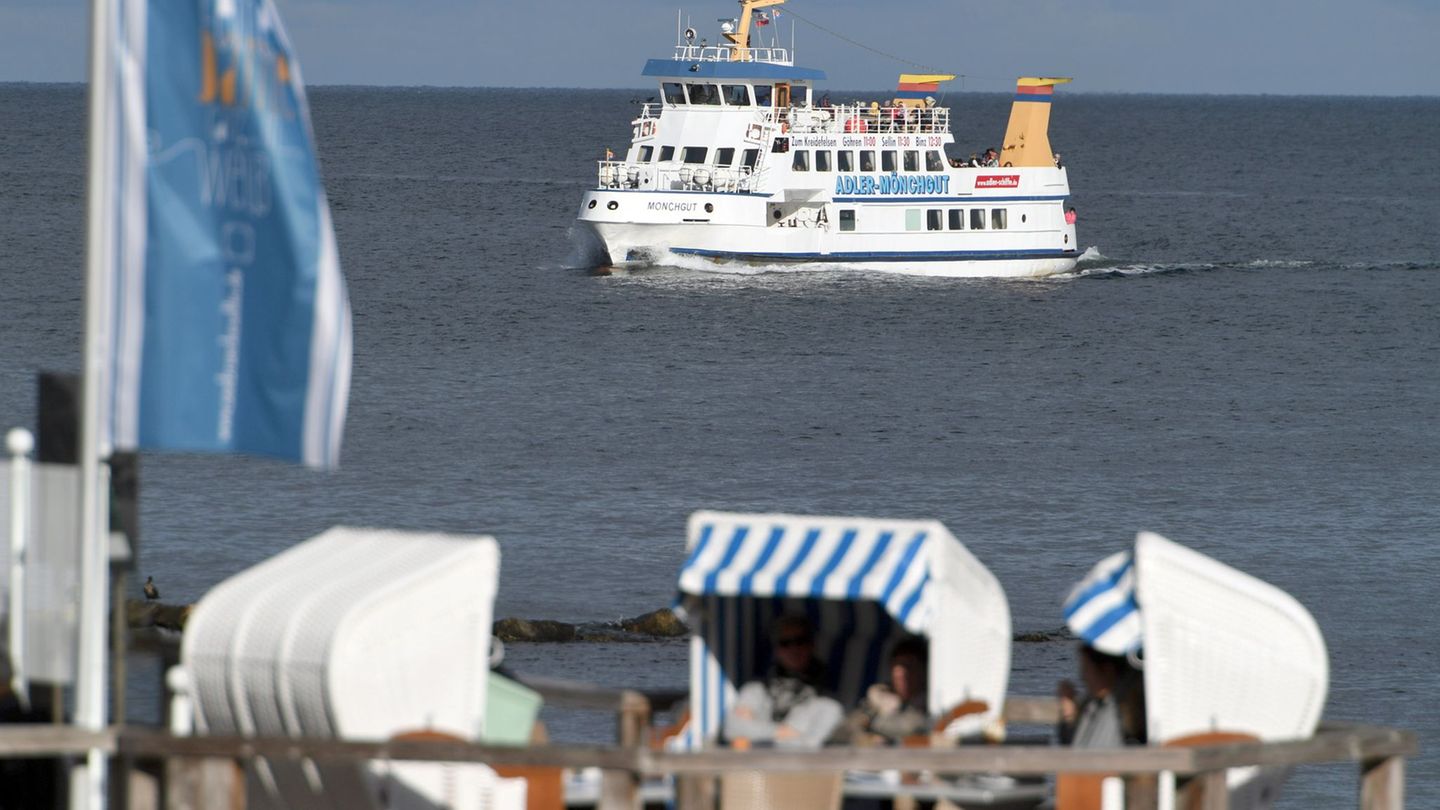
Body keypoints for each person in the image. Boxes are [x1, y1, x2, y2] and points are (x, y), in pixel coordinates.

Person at [723, 615, 844, 748]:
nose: (794, 649)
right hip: (758, 760)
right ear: (776, 649)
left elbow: (811, 744)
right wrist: (781, 732)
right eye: (785, 643)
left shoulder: (829, 699)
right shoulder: (756, 689)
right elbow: (732, 729)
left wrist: (755, 734)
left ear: (812, 645)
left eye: (800, 641)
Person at [835, 637, 930, 745]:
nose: (901, 674)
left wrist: (881, 717)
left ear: (923, 669)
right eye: (896, 666)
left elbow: (915, 729)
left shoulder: (930, 704)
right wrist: (865, 733)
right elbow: (844, 730)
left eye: (909, 666)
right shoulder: (877, 699)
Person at [1056, 644, 1146, 747]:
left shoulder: (1119, 711)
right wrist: (1069, 714)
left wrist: (1069, 716)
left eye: (1086, 669)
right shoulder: (1094, 704)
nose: (1082, 676)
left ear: (1107, 671)